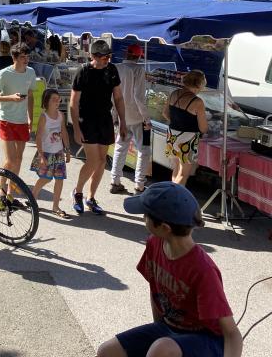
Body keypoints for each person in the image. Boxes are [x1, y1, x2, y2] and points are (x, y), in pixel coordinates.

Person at [97, 182, 242, 357]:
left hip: (207, 339)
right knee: (106, 351)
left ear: (164, 228)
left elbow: (232, 334)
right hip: (169, 329)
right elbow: (156, 292)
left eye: (145, 215)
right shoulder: (153, 243)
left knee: (161, 349)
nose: (143, 218)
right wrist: (157, 332)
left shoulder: (203, 269)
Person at [70, 39, 127, 216]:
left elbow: (118, 98)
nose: (107, 59)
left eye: (109, 56)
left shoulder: (112, 70)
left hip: (105, 119)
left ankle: (91, 198)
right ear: (93, 56)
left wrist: (123, 122)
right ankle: (77, 192)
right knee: (93, 160)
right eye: (104, 57)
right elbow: (73, 103)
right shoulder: (83, 71)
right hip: (87, 120)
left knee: (102, 161)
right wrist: (77, 129)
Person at [0, 43, 37, 203]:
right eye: (23, 57)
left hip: (22, 121)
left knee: (18, 159)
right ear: (14, 58)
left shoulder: (31, 72)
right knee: (10, 159)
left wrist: (31, 117)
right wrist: (11, 98)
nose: (26, 60)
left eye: (28, 56)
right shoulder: (4, 73)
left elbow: (31, 96)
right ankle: (1, 188)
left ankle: (10, 192)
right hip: (6, 119)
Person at [110, 44, 152, 195]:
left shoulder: (117, 68)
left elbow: (113, 95)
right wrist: (146, 118)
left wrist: (115, 115)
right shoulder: (138, 70)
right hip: (136, 116)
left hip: (122, 115)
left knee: (120, 147)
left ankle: (115, 181)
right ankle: (139, 185)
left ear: (126, 54)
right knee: (143, 150)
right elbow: (138, 97)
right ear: (139, 56)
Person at [30, 89, 71, 219]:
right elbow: (38, 137)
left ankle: (55, 207)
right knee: (46, 178)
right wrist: (41, 156)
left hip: (58, 152)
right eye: (54, 99)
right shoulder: (44, 117)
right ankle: (33, 199)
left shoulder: (60, 115)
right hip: (46, 153)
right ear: (46, 101)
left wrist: (67, 150)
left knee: (59, 179)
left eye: (58, 99)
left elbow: (64, 132)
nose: (57, 101)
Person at [163, 70, 208, 186]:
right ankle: (175, 199)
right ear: (199, 84)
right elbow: (203, 128)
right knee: (183, 174)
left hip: (172, 135)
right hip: (187, 140)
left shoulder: (174, 93)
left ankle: (171, 193)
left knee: (176, 169)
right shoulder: (198, 102)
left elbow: (165, 114)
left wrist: (178, 121)